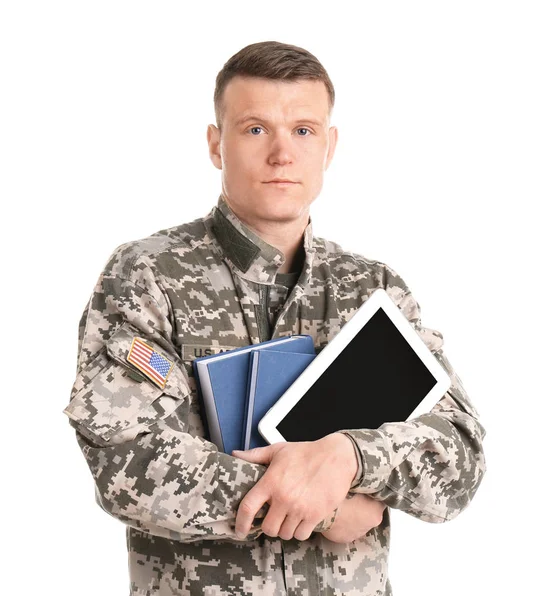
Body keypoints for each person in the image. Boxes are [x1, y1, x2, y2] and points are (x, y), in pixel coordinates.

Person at [63, 40, 486, 596]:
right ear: (216, 144)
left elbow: (460, 456)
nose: (282, 153)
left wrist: (352, 458)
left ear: (329, 146)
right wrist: (324, 503)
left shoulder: (374, 289)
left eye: (304, 131)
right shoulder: (148, 275)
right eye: (256, 129)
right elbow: (126, 461)